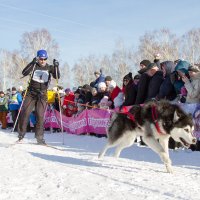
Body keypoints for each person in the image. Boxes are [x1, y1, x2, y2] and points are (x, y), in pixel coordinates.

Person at [17, 49, 60, 144]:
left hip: (42, 94)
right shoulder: (34, 66)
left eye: (45, 59)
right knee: (25, 112)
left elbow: (57, 76)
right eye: (41, 59)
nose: (43, 61)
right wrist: (32, 63)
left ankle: (39, 137)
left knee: (40, 115)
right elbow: (24, 73)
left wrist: (57, 67)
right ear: (38, 58)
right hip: (31, 93)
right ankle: (21, 135)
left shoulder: (49, 67)